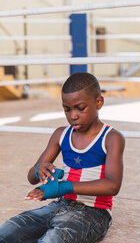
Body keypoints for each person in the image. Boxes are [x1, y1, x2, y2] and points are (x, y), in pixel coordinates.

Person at [0, 72, 125, 243]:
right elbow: (31, 177)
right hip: (60, 205)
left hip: (95, 213)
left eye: (80, 108)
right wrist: (39, 170)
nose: (73, 116)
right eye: (67, 109)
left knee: (52, 240)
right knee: (8, 230)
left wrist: (64, 187)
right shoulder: (61, 134)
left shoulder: (111, 138)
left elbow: (112, 186)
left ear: (98, 102)